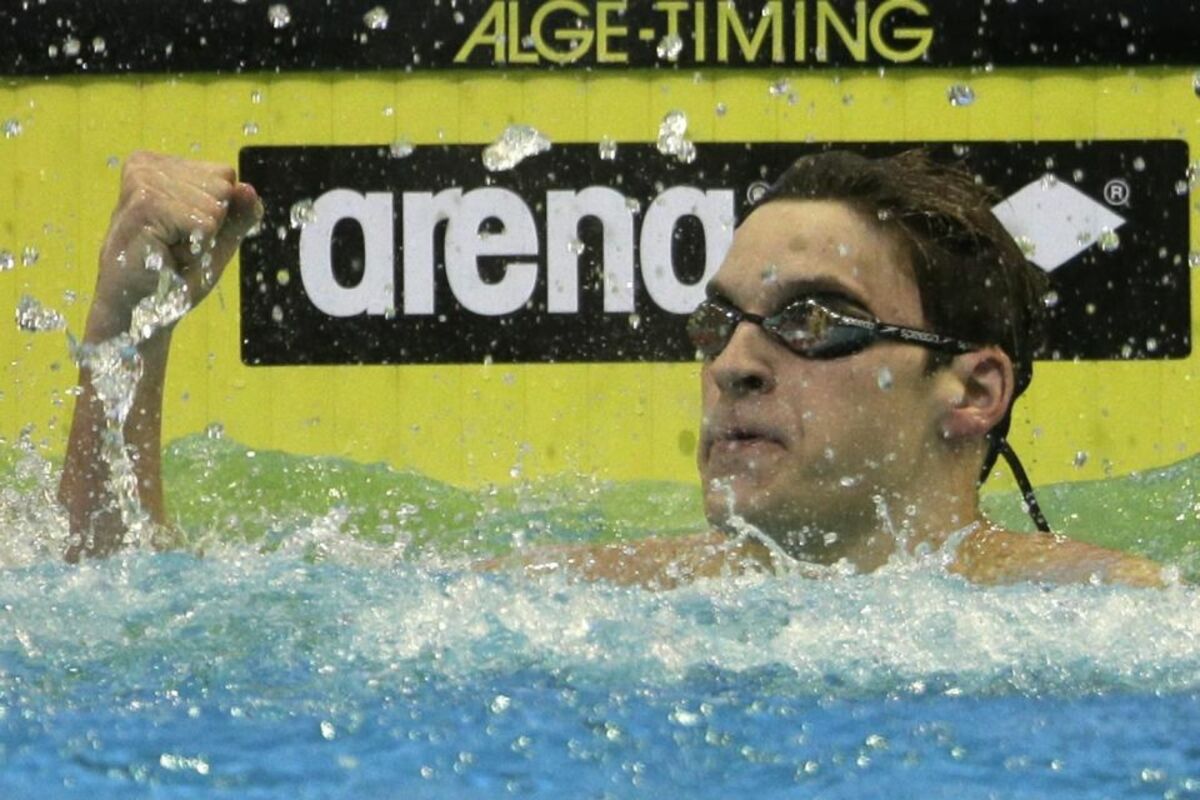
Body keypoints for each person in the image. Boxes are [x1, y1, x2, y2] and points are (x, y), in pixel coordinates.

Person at [57, 150, 1167, 588]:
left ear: (973, 390)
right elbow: (128, 605)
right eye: (718, 322)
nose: (735, 365)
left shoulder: (1099, 610)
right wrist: (131, 331)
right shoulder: (610, 594)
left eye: (811, 319)